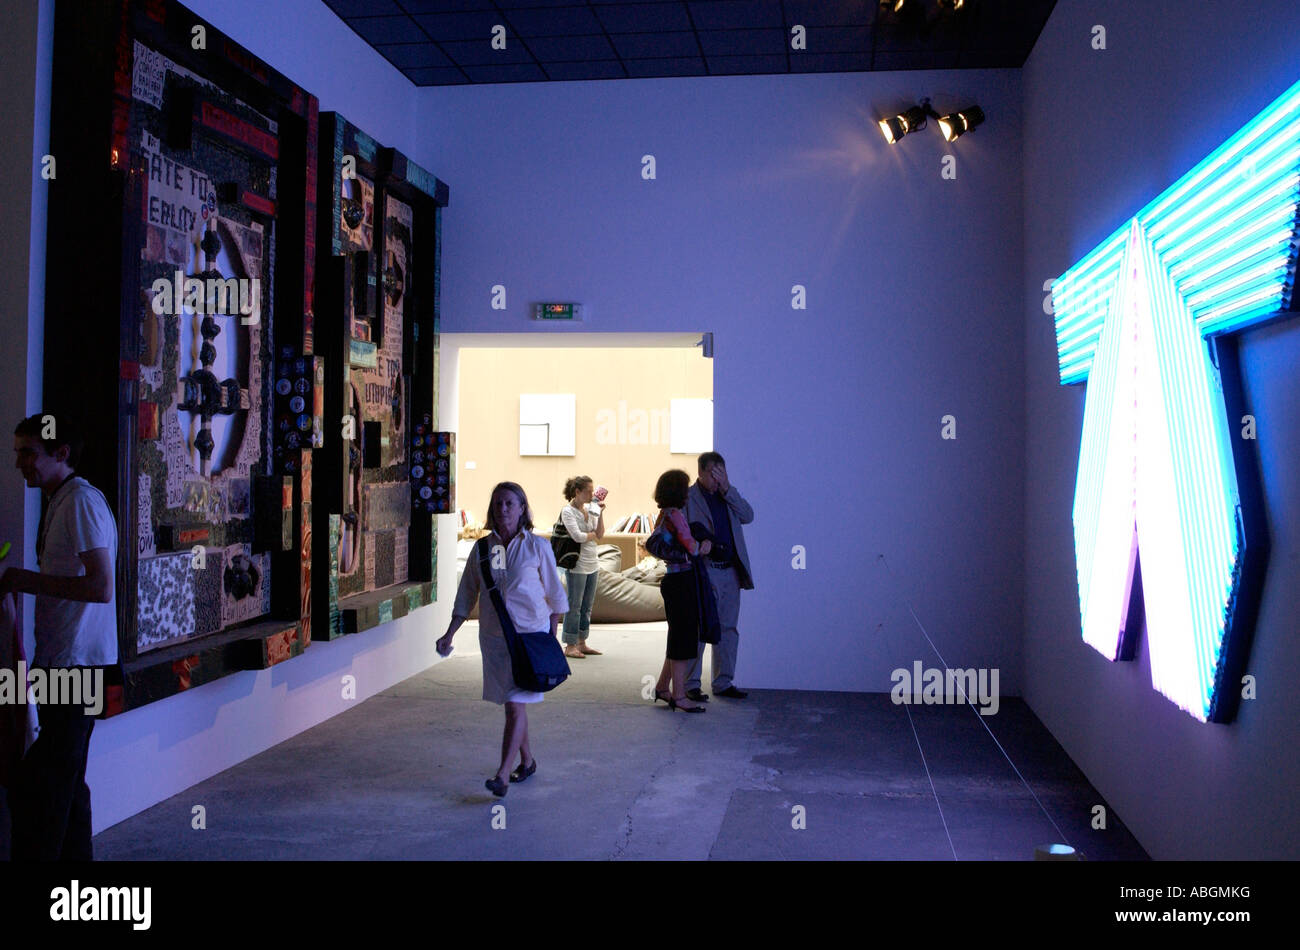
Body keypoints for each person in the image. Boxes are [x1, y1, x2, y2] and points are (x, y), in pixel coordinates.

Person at [1, 414, 117, 860]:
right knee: (67, 784)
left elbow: (100, 586)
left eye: (28, 452)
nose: (20, 463)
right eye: (18, 452)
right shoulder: (61, 501)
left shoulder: (80, 503)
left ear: (61, 453)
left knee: (43, 788)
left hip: (79, 665)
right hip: (61, 663)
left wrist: (22, 580)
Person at [436, 482, 568, 797]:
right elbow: (467, 593)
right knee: (514, 705)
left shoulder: (537, 546)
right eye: (498, 504)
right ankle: (528, 760)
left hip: (529, 640)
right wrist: (449, 633)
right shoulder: (483, 549)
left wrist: (553, 635)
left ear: (523, 508)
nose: (503, 509)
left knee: (514, 706)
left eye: (510, 503)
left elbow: (555, 594)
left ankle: (502, 776)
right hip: (495, 641)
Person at [685, 452, 754, 701]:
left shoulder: (728, 495)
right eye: (713, 475)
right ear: (701, 472)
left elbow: (748, 515)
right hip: (704, 569)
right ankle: (690, 684)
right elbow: (676, 530)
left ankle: (723, 682)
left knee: (728, 628)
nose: (717, 480)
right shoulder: (689, 497)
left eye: (721, 474)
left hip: (730, 571)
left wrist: (727, 487)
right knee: (699, 627)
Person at [649, 470, 711, 713]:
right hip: (683, 581)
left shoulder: (664, 514)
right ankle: (679, 695)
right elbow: (692, 548)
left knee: (677, 635)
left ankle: (664, 687)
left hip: (672, 581)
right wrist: (705, 545)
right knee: (684, 637)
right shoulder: (676, 515)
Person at [558, 476, 605, 659]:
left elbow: (600, 534)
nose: (592, 495)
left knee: (587, 606)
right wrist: (591, 534)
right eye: (588, 491)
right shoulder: (568, 512)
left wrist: (600, 514)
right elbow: (577, 537)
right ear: (577, 492)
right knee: (574, 605)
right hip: (577, 564)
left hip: (592, 561)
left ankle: (582, 642)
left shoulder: (589, 509)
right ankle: (570, 644)